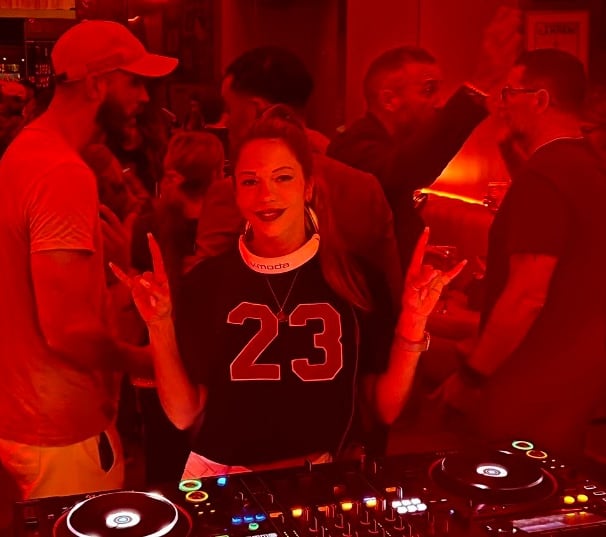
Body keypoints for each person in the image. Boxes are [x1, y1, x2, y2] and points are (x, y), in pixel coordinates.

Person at [112, 107, 465, 476]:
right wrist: (159, 325)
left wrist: (413, 322)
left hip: (324, 477)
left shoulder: (359, 280)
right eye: (250, 181)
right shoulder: (206, 282)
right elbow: (184, 414)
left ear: (307, 187)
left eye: (282, 178)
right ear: (236, 193)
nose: (266, 194)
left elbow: (384, 408)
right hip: (228, 476)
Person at [0, 19, 177, 500]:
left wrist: (114, 277)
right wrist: (148, 360)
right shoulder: (62, 171)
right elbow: (68, 331)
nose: (144, 97)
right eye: (134, 82)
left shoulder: (26, 150)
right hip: (62, 433)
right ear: (97, 83)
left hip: (28, 420)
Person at [436, 49, 606, 456]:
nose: (502, 104)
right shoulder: (589, 166)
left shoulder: (545, 176)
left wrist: (472, 376)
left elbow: (527, 296)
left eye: (510, 92)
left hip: (525, 389)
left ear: (541, 100)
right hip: (573, 385)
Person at [195, 46, 403, 311]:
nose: (227, 122)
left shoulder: (231, 193)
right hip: (350, 334)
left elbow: (201, 300)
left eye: (230, 109)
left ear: (256, 110)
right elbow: (391, 297)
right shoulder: (365, 188)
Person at [327, 6, 522, 272]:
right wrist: (477, 88)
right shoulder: (353, 148)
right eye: (428, 90)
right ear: (389, 100)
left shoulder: (389, 145)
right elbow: (403, 171)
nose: (438, 102)